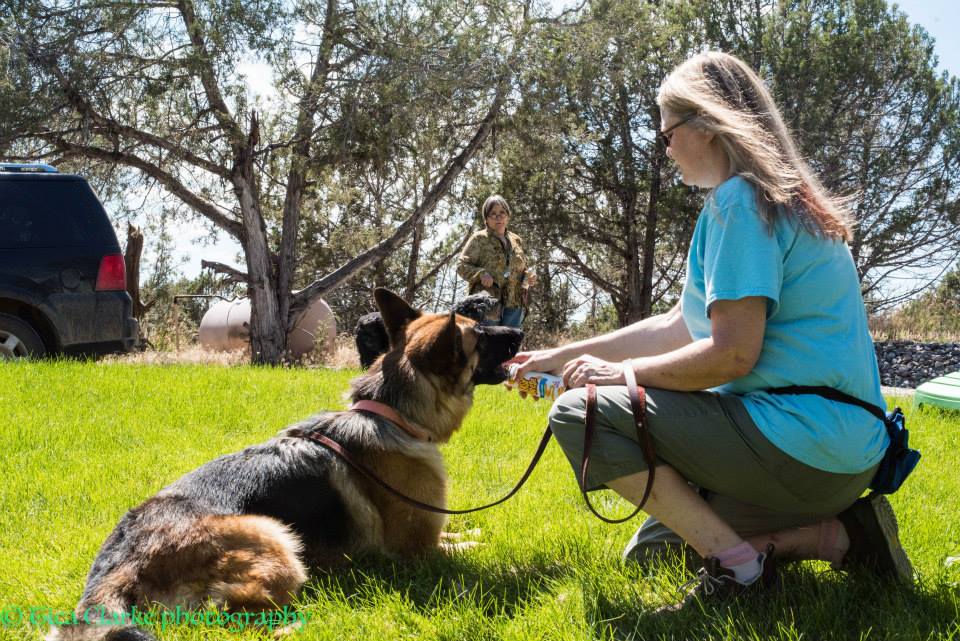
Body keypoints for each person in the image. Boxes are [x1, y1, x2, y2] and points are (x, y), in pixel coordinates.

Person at [507, 51, 912, 607]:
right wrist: (559, 356)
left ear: (708, 123)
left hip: (798, 443)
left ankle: (741, 573)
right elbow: (679, 326)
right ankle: (840, 534)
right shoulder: (783, 200)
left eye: (667, 132)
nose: (664, 146)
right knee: (653, 551)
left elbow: (731, 356)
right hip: (844, 456)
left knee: (582, 413)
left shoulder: (741, 202)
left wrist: (613, 377)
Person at [457, 195, 537, 328]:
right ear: (486, 219)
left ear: (508, 215)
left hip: (514, 304)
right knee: (486, 346)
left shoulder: (516, 239)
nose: (498, 217)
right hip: (487, 305)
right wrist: (481, 273)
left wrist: (529, 276)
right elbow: (461, 266)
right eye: (493, 214)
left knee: (509, 347)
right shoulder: (479, 239)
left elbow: (522, 268)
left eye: (502, 213)